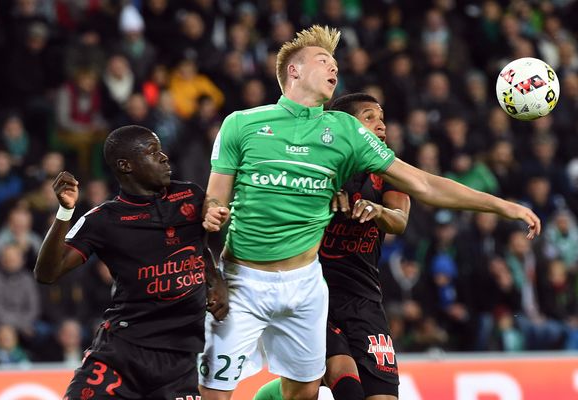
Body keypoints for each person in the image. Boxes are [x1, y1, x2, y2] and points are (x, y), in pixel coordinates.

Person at [201, 25, 540, 400]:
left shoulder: (345, 130)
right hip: (244, 277)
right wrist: (214, 211)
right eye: (323, 60)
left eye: (335, 62)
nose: (334, 68)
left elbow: (424, 183)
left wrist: (502, 205)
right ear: (293, 71)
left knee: (305, 392)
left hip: (306, 285)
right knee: (215, 393)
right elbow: (216, 198)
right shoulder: (241, 124)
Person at [34, 125, 228, 399]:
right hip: (122, 354)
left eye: (160, 150)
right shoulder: (103, 220)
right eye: (152, 152)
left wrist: (215, 279)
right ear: (126, 165)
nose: (164, 157)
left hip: (180, 363)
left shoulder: (190, 197)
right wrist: (66, 212)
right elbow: (47, 273)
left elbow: (200, 249)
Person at [254, 94, 410, 400]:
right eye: (369, 117)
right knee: (342, 375)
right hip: (314, 295)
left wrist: (378, 211)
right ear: (345, 127)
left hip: (365, 298)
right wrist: (320, 195)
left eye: (382, 118)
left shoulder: (390, 173)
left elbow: (399, 220)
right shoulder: (315, 170)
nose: (381, 125)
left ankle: (272, 394)